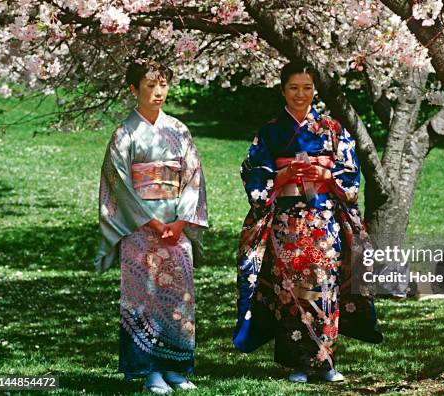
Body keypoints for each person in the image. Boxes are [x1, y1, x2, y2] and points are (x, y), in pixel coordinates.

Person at [233, 61, 382, 383]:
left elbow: (351, 174)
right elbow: (254, 171)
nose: (301, 95)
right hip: (287, 221)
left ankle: (327, 361)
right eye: (293, 88)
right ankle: (298, 363)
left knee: (325, 286)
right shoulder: (271, 130)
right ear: (282, 90)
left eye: (307, 88)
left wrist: (326, 174)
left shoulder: (333, 129)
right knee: (292, 291)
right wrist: (282, 174)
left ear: (315, 90)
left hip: (324, 219)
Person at [94, 58, 208, 394]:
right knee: (143, 295)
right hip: (140, 228)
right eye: (149, 85)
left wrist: (181, 220)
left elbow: (193, 177)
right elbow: (117, 184)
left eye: (163, 84)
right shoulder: (125, 133)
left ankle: (176, 367)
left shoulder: (179, 130)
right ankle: (148, 370)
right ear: (134, 89)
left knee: (179, 297)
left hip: (176, 226)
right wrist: (154, 222)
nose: (158, 92)